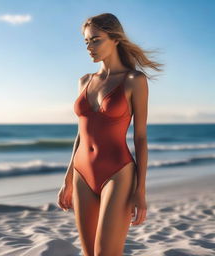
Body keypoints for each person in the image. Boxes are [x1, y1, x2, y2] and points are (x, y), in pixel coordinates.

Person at [57, 13, 163, 256]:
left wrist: (141, 190)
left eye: (96, 40)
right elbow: (80, 134)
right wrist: (67, 178)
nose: (89, 48)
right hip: (82, 173)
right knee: (89, 253)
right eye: (86, 42)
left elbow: (141, 138)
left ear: (115, 39)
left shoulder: (134, 80)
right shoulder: (84, 81)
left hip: (118, 172)